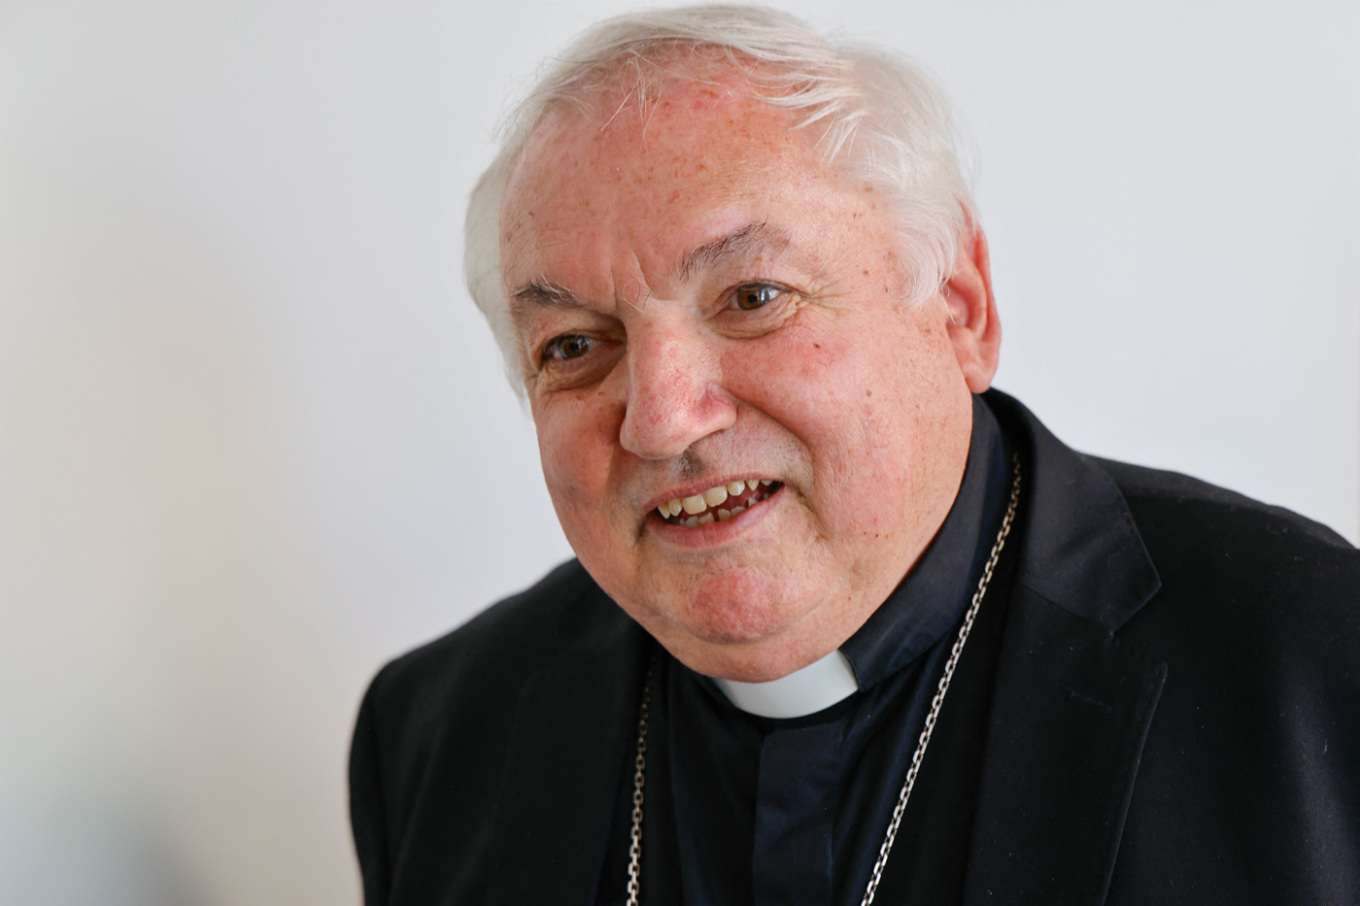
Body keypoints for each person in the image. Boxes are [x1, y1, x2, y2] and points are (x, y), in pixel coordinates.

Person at [348, 6, 1360, 904]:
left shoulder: (1311, 658)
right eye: (573, 346)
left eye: (754, 298)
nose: (661, 420)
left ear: (958, 309)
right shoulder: (437, 737)